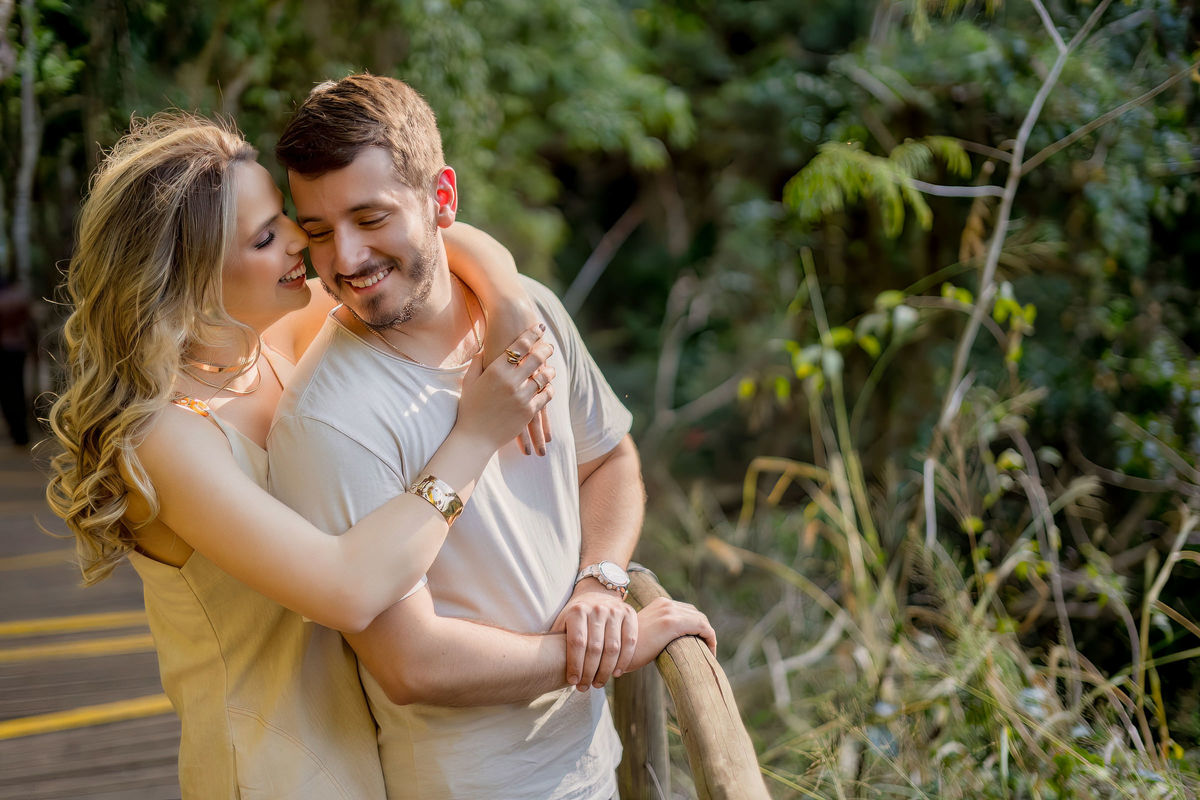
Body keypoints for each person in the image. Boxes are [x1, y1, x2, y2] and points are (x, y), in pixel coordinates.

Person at [43, 111, 561, 799]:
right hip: (273, 767)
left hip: (369, 746)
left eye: (285, 217)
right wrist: (475, 436)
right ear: (188, 278)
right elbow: (347, 590)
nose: (300, 239)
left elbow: (436, 241)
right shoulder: (164, 437)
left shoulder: (272, 340)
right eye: (265, 237)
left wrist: (508, 300)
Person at [269, 73, 716, 800]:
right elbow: (411, 664)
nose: (345, 258)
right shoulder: (326, 418)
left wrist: (600, 581)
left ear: (441, 198)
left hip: (593, 763)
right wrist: (612, 650)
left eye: (371, 218)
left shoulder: (528, 310)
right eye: (318, 231)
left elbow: (608, 459)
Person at [0, 275, 31, 446]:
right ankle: (21, 432)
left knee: (7, 392)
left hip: (6, 350)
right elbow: (27, 323)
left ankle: (17, 430)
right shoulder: (19, 295)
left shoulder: (9, 297)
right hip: (18, 348)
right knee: (17, 389)